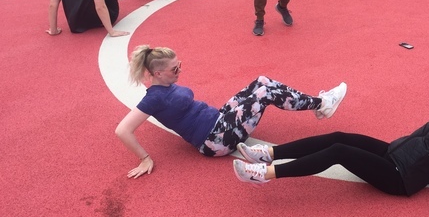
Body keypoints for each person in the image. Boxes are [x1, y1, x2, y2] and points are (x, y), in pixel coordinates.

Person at [233, 80, 429, 217]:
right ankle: (269, 154)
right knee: (339, 136)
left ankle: (265, 175)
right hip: (394, 153)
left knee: (340, 152)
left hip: (400, 178)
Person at [115, 45, 347, 179]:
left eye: (180, 65)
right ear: (157, 74)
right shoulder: (153, 98)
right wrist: (145, 158)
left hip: (219, 120)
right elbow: (123, 130)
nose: (180, 71)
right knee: (265, 94)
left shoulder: (165, 83)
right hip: (214, 141)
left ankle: (320, 105)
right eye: (175, 69)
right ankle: (322, 104)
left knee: (262, 81)